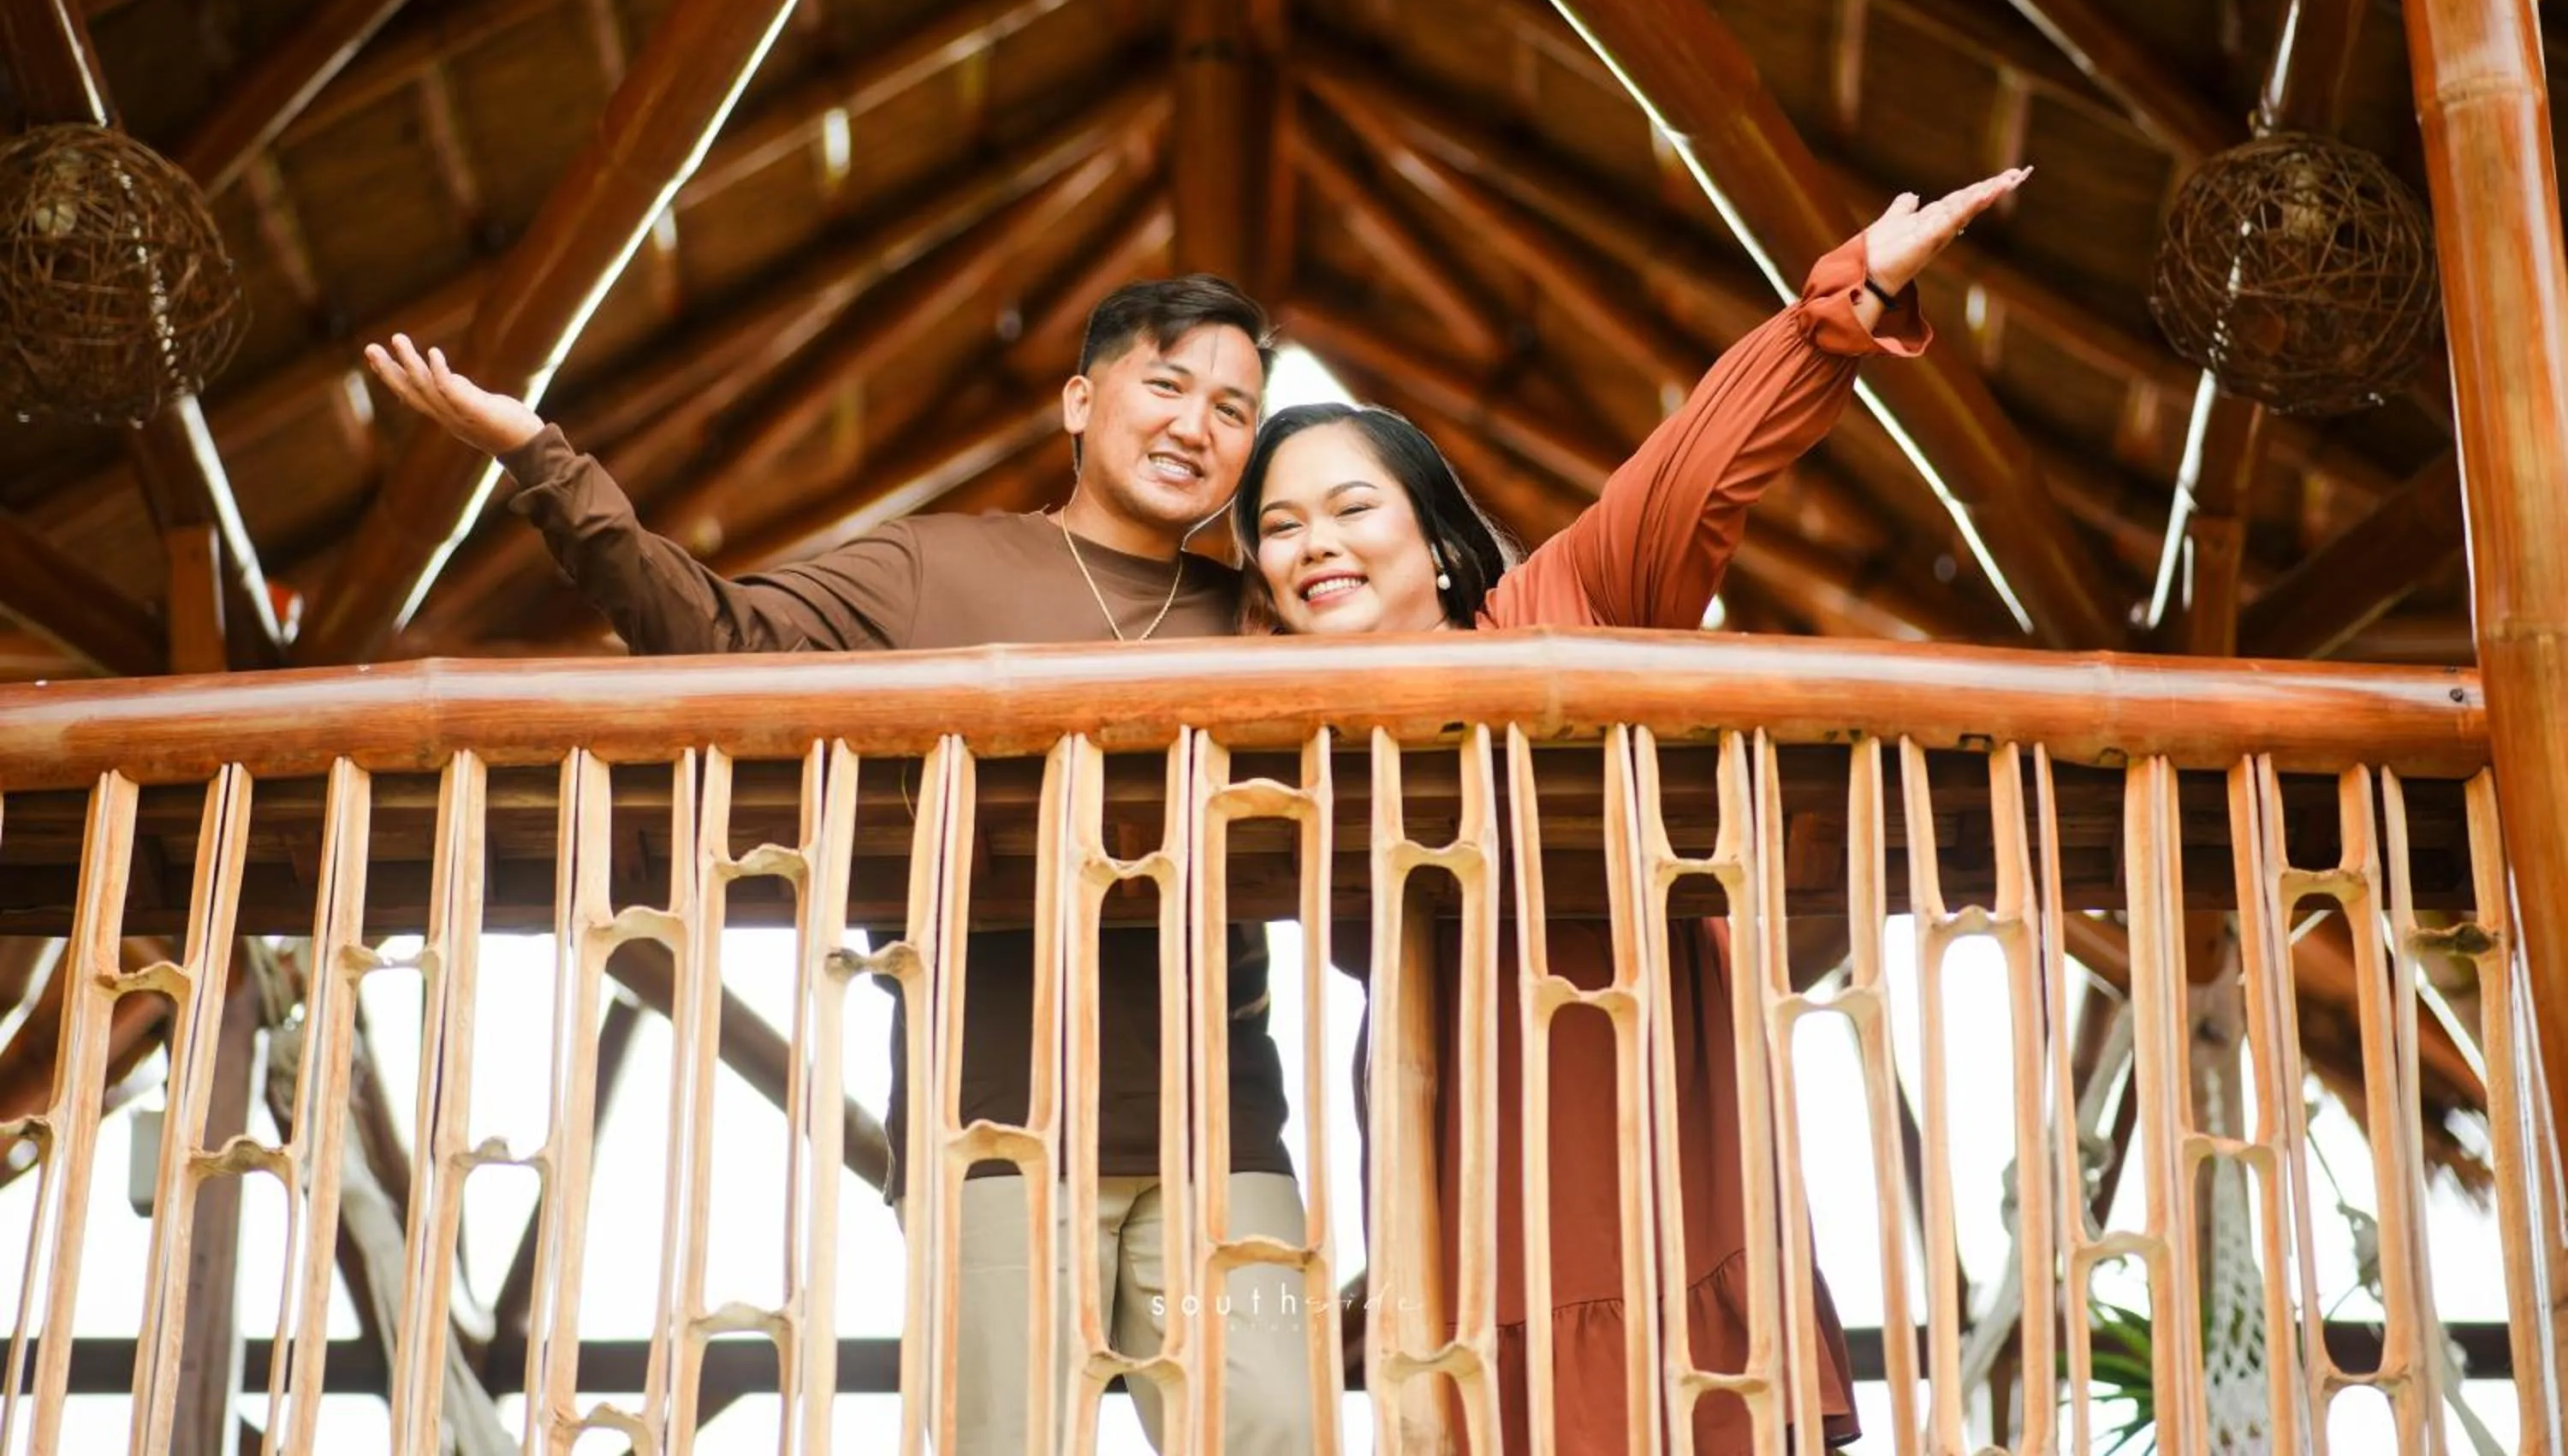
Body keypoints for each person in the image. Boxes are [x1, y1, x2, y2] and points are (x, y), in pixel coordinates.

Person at [364, 276, 1315, 1455]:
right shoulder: (934, 570)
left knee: (1280, 1430)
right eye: (1166, 385)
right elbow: (715, 638)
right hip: (993, 1135)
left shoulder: (1265, 615)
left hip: (1226, 1140)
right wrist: (542, 459)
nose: (1196, 427)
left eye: (1235, 410)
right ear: (1080, 401)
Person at [1235, 169, 2028, 1453]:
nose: (1313, 542)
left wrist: (1855, 289)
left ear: (1436, 542)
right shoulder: (1288, 742)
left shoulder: (1555, 609)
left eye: (1349, 506)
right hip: (1456, 1138)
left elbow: (1698, 472)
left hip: (1643, 1112)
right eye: (1278, 528)